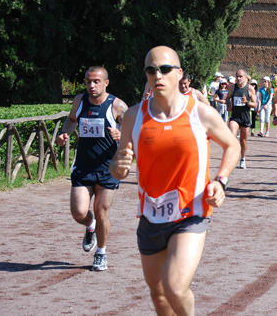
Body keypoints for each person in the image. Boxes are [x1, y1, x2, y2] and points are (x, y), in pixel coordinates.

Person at [109, 46, 240, 315]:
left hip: (191, 212)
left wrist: (221, 181)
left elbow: (232, 145)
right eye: (151, 69)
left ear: (179, 73)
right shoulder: (134, 116)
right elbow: (119, 169)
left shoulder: (199, 113)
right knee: (158, 295)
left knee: (175, 288)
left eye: (165, 69)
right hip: (150, 217)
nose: (158, 74)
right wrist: (119, 166)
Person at [56, 66, 128, 271]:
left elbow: (133, 129)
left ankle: (101, 253)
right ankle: (90, 226)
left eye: (96, 81)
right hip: (84, 166)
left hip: (108, 167)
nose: (91, 85)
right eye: (88, 81)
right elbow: (71, 120)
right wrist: (64, 134)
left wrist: (121, 135)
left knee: (101, 211)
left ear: (106, 82)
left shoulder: (117, 106)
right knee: (79, 212)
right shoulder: (79, 101)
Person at [227, 69, 258, 169]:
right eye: (237, 76)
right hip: (235, 117)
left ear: (245, 77)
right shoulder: (232, 88)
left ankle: (243, 159)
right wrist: (229, 105)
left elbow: (255, 105)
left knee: (243, 140)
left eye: (240, 76)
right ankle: (231, 158)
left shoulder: (250, 89)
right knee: (232, 136)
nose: (238, 78)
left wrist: (247, 102)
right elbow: (228, 97)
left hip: (245, 118)